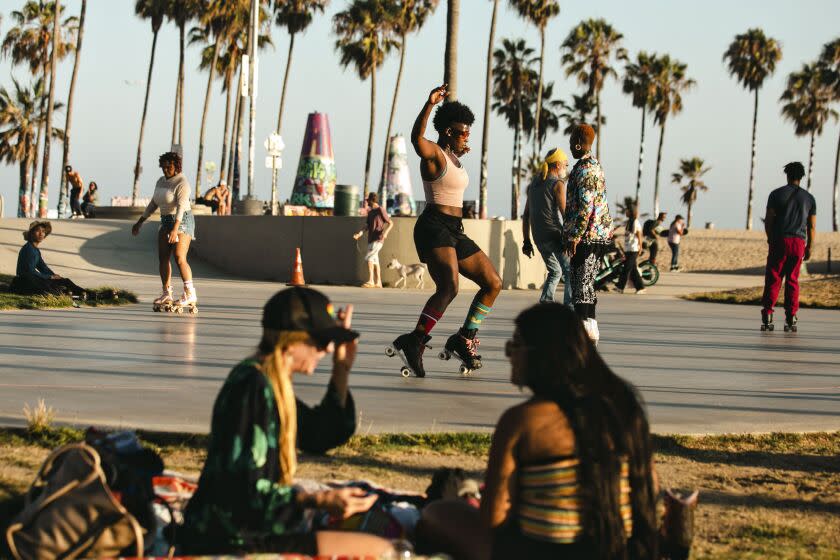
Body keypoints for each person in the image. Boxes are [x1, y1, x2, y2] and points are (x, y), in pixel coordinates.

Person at [417, 304, 659, 560]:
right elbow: (649, 489)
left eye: (516, 344)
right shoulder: (625, 405)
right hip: (619, 549)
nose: (509, 353)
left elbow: (494, 517)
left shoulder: (522, 420)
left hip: (543, 552)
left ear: (545, 354)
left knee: (440, 512)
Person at [179, 288, 393, 557]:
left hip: (249, 530)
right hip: (231, 538)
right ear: (292, 342)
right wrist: (318, 500)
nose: (327, 349)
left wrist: (342, 368)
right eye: (320, 341)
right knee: (385, 551)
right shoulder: (253, 388)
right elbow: (245, 495)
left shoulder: (271, 383)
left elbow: (320, 434)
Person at [391, 83, 502, 378]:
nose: (468, 136)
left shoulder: (453, 157)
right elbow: (417, 139)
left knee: (493, 283)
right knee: (449, 287)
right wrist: (429, 104)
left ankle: (464, 338)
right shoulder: (435, 155)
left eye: (468, 131)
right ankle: (415, 340)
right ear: (449, 132)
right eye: (463, 132)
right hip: (433, 226)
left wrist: (459, 150)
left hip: (454, 229)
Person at [563, 124, 613, 344]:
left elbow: (585, 205)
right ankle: (589, 330)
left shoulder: (585, 170)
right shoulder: (594, 167)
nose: (570, 148)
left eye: (571, 142)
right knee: (586, 285)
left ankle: (585, 334)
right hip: (595, 234)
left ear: (577, 144)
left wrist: (575, 236)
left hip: (587, 236)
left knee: (581, 285)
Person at [131, 152, 198, 310]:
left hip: (182, 221)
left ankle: (190, 293)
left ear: (176, 166)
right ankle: (166, 293)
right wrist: (140, 221)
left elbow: (181, 208)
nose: (165, 170)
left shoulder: (182, 183)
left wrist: (176, 229)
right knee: (163, 258)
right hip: (166, 220)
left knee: (179, 257)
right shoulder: (161, 181)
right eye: (163, 167)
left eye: (169, 167)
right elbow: (154, 203)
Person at [761, 161, 816, 331]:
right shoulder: (809, 198)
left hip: (779, 240)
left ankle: (768, 315)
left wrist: (771, 239)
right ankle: (791, 317)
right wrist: (809, 247)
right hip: (798, 242)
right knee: (793, 280)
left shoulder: (775, 194)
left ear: (787, 175)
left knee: (774, 277)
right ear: (801, 176)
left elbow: (769, 220)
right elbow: (811, 226)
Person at [522, 147, 572, 306]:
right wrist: (571, 236)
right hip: (554, 234)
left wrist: (526, 241)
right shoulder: (557, 183)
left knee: (555, 271)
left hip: (538, 237)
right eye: (566, 164)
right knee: (570, 270)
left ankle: (545, 303)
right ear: (557, 165)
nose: (566, 168)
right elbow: (565, 214)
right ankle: (569, 308)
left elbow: (526, 215)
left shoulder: (534, 184)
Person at [10, 221, 87, 297]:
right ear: (31, 233)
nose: (41, 234)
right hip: (25, 281)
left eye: (43, 231)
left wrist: (54, 276)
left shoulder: (35, 250)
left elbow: (43, 267)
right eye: (37, 231)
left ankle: (85, 293)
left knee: (65, 281)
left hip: (33, 279)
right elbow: (30, 271)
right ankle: (74, 294)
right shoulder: (28, 249)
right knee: (51, 287)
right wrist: (49, 277)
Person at [352, 192, 393, 288]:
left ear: (371, 200)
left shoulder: (380, 210)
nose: (367, 202)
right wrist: (359, 234)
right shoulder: (370, 212)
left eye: (368, 201)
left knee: (369, 258)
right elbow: (367, 226)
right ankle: (378, 282)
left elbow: (390, 223)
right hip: (371, 240)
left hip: (378, 239)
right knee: (375, 260)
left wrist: (386, 233)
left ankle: (371, 281)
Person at [617, 204, 646, 294]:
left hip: (634, 249)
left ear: (632, 212)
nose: (626, 212)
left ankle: (620, 287)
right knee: (633, 270)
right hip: (628, 249)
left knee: (627, 268)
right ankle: (640, 288)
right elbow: (619, 226)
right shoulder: (628, 222)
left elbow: (639, 235)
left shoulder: (635, 222)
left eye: (627, 211)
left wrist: (640, 247)